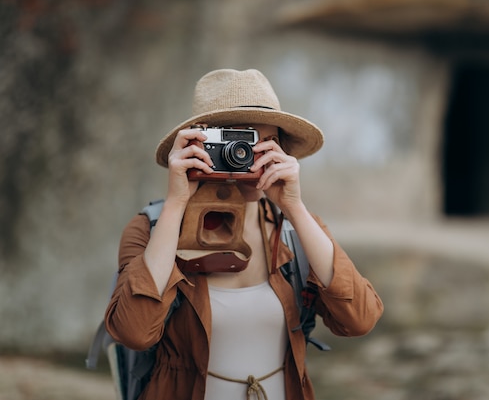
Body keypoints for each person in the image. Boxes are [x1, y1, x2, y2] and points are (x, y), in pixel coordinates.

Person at [104, 68, 384, 400]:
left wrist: (293, 205)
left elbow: (359, 320)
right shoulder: (151, 229)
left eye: (263, 144)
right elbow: (134, 332)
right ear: (200, 145)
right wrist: (177, 202)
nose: (247, 158)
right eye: (237, 142)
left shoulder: (295, 231)